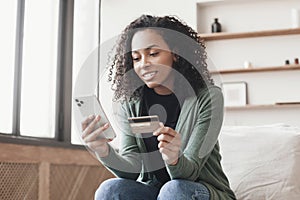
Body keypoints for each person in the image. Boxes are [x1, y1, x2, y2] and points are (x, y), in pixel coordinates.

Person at [81, 15, 236, 200]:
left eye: (153, 54)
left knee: (173, 190)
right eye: (136, 58)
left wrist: (174, 158)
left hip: (197, 190)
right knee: (109, 190)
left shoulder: (208, 97)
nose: (143, 64)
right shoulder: (130, 103)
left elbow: (189, 173)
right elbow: (132, 170)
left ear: (175, 53)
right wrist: (104, 152)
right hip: (155, 191)